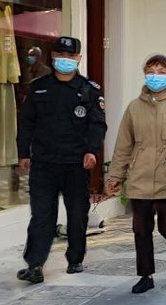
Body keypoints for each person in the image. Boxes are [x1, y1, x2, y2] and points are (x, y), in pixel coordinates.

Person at [15, 36, 107, 284]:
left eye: (70, 56)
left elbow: (97, 125)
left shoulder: (89, 90)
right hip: (44, 163)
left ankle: (75, 259)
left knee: (77, 213)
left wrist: (92, 151)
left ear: (78, 58)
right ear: (53, 57)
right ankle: (35, 264)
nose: (65, 60)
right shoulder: (38, 88)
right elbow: (26, 123)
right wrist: (23, 153)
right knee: (42, 215)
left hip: (76, 164)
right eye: (60, 55)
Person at [106, 54, 166, 294]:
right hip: (140, 176)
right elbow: (123, 144)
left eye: (161, 72)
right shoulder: (134, 108)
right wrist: (116, 175)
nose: (155, 76)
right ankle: (145, 276)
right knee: (141, 228)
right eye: (150, 71)